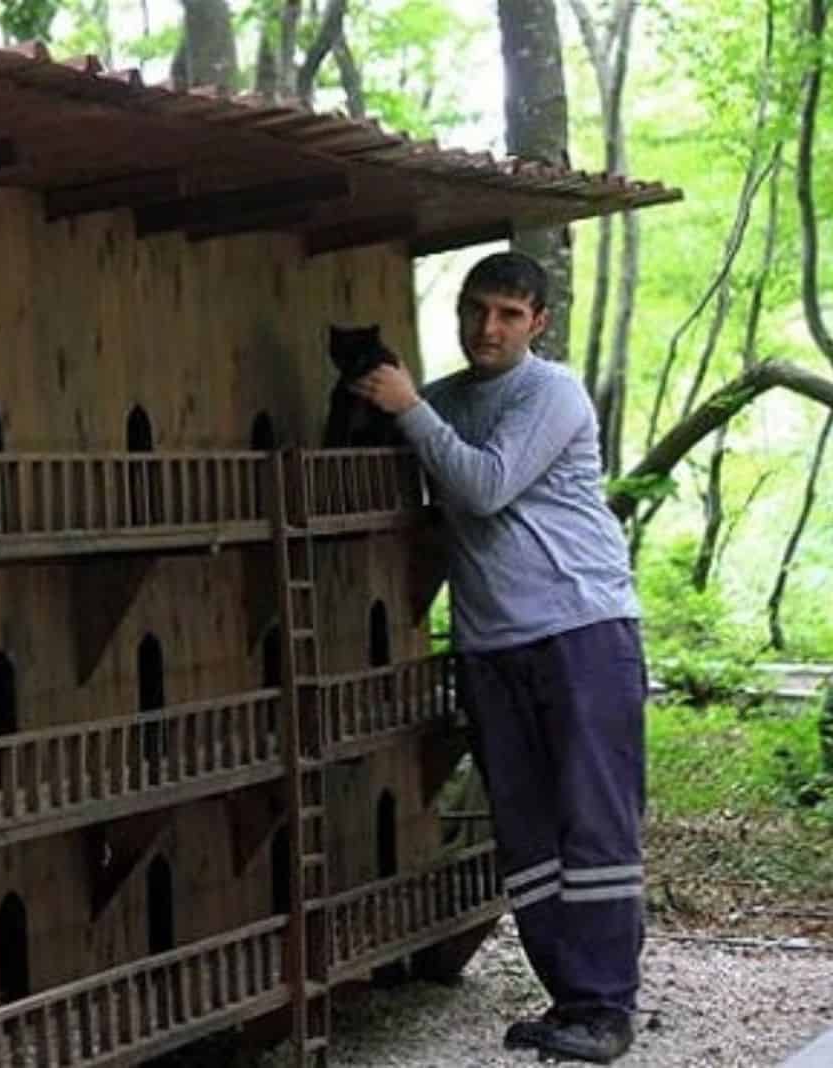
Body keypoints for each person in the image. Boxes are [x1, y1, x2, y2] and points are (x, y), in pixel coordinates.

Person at [349, 251, 647, 1065]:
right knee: (525, 830)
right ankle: (569, 998)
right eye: (478, 309)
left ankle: (606, 1005)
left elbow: (482, 485)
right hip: (491, 642)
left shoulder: (551, 393)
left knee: (594, 821)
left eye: (510, 314)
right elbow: (403, 449)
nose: (489, 327)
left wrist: (406, 408)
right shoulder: (440, 401)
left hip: (580, 629)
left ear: (538, 323)